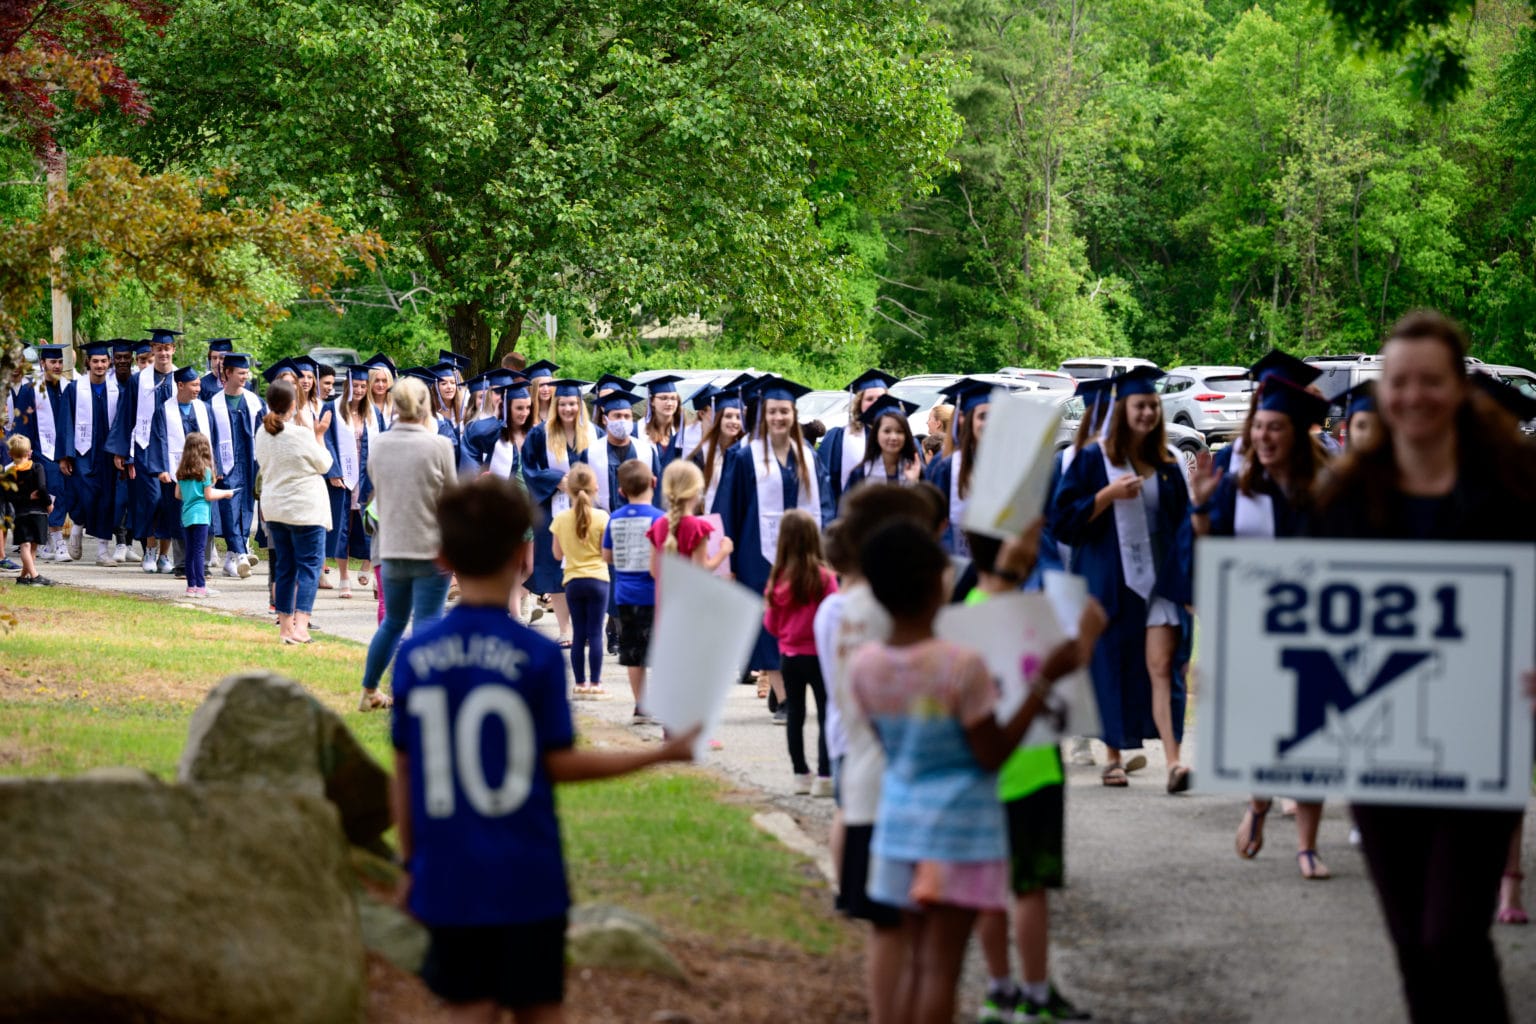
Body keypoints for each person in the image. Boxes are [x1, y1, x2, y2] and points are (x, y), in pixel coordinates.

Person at [389, 473, 698, 1024]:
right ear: (522, 556)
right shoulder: (532, 655)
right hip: (526, 874)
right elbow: (557, 763)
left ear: (441, 557)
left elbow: (405, 775)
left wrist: (413, 863)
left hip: (450, 873)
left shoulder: (416, 658)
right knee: (539, 1007)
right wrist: (657, 754)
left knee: (467, 1006)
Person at [1309, 310, 1536, 1023]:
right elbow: (1310, 618)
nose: (1412, 396)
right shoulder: (1346, 499)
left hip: (1479, 742)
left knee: (1452, 936)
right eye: (1397, 382)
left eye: (1430, 381)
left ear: (1459, 388)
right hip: (1380, 746)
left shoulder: (1513, 490)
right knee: (1413, 944)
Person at [849, 519, 1094, 1024]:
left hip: (897, 827)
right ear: (933, 581)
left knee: (913, 967)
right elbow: (992, 753)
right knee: (941, 971)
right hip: (960, 831)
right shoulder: (961, 666)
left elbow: (891, 743)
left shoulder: (865, 665)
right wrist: (1044, 681)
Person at [1190, 370, 1335, 879]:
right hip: (1255, 630)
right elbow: (1211, 555)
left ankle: (1307, 845)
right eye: (1259, 427)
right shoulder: (1239, 486)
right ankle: (1258, 804)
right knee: (1263, 733)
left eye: (1275, 427)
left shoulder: (1325, 488)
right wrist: (1201, 511)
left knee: (1312, 737)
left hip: (1317, 629)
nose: (1263, 437)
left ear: (1296, 432)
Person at [967, 529, 1093, 1024]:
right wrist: (1088, 637)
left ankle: (999, 992)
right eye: (1022, 537)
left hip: (986, 772)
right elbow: (1064, 678)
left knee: (990, 887)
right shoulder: (1026, 612)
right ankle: (1037, 997)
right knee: (1029, 889)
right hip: (1032, 764)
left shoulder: (969, 606)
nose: (1031, 541)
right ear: (1006, 549)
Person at [1051, 365, 1195, 792]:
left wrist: (1188, 584)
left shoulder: (1166, 463)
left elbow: (1183, 525)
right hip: (1111, 578)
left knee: (1162, 668)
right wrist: (1106, 496)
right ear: (1122, 410)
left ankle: (1173, 762)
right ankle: (1112, 757)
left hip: (1160, 582)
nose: (1148, 412)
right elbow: (1063, 519)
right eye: (1140, 405)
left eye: (1153, 405)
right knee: (1111, 663)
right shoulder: (1095, 460)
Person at [358, 375, 459, 708]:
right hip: (432, 547)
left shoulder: (379, 444)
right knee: (428, 623)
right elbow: (452, 500)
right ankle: (423, 693)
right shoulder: (440, 445)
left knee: (392, 622)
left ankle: (370, 689)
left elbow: (376, 483)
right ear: (425, 404)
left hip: (391, 546)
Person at [252, 379, 333, 645]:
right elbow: (324, 464)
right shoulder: (300, 434)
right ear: (293, 405)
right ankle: (301, 626)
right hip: (305, 509)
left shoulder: (262, 433)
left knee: (285, 568)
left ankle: (285, 627)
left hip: (275, 507)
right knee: (309, 567)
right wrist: (319, 435)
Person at [763, 508, 837, 795]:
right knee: (825, 712)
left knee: (795, 713)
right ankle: (825, 775)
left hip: (789, 656)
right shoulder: (824, 577)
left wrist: (785, 633)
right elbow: (833, 614)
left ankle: (800, 773)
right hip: (819, 656)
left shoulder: (778, 577)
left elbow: (770, 622)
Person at [522, 378, 595, 647]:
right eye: (562, 403)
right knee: (555, 569)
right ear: (555, 405)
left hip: (587, 509)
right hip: (552, 509)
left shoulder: (593, 433)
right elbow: (529, 469)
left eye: (573, 403)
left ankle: (584, 626)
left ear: (580, 405)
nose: (568, 408)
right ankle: (566, 630)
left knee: (584, 568)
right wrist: (557, 480)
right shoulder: (540, 434)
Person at [601, 460, 664, 722]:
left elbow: (606, 556)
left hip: (626, 594)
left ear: (620, 491)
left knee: (633, 653)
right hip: (656, 595)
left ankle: (641, 705)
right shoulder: (660, 519)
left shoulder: (614, 519)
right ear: (654, 483)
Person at [61, 341, 125, 567]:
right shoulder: (74, 389)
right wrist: (65, 454)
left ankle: (102, 552)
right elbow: (66, 421)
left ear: (109, 364)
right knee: (85, 495)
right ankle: (77, 525)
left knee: (107, 500)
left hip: (107, 453)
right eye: (95, 361)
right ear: (88, 362)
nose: (99, 365)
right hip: (82, 452)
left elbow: (121, 424)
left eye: (103, 361)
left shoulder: (117, 390)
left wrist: (121, 452)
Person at [550, 463, 610, 696]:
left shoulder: (561, 519)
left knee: (579, 633)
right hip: (598, 578)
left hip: (573, 580)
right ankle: (596, 683)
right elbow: (606, 554)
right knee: (595, 633)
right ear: (595, 487)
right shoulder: (602, 516)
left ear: (569, 489)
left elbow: (557, 554)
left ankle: (579, 683)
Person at [9, 345, 73, 562]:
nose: (56, 365)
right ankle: (57, 540)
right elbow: (22, 424)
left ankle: (46, 541)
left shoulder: (68, 387)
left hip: (66, 449)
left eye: (59, 362)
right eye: (52, 362)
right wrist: (26, 454)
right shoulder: (30, 390)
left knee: (65, 493)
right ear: (43, 363)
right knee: (54, 490)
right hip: (41, 450)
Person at [209, 353, 263, 579]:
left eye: (246, 372)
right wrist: (214, 465)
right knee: (230, 508)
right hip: (226, 464)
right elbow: (209, 436)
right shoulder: (213, 403)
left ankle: (232, 558)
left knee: (246, 509)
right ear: (228, 373)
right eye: (241, 373)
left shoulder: (254, 401)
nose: (245, 376)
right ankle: (241, 553)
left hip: (249, 462)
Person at [925, 379, 992, 556]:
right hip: (953, 560)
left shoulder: (1009, 464)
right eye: (983, 416)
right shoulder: (945, 466)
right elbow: (931, 520)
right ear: (968, 420)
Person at [161, 365, 217, 578]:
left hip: (204, 471)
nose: (198, 389)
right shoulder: (164, 410)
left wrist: (215, 467)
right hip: (177, 473)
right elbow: (159, 441)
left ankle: (204, 564)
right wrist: (161, 469)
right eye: (194, 385)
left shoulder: (205, 408)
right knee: (179, 516)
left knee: (205, 516)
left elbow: (216, 437)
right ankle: (182, 564)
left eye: (199, 384)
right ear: (180, 385)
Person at [321, 364, 372, 597]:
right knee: (342, 527)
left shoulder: (373, 414)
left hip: (367, 479)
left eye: (363, 386)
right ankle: (344, 578)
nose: (359, 390)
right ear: (348, 385)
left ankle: (370, 570)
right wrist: (333, 471)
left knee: (369, 527)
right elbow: (325, 441)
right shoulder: (332, 409)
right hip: (342, 478)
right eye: (356, 385)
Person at [818, 369, 897, 512]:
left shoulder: (903, 439)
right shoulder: (840, 437)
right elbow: (826, 485)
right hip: (851, 519)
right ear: (859, 403)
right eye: (869, 399)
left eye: (880, 398)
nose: (875, 403)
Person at [173, 432, 234, 598]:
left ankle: (191, 586)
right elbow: (208, 495)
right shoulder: (205, 471)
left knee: (190, 551)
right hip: (200, 516)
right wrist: (225, 493)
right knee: (200, 551)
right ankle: (201, 587)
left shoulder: (181, 471)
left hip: (186, 515)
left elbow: (177, 494)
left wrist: (190, 493)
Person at [647, 459, 733, 575]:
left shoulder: (658, 524)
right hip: (690, 593)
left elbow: (653, 571)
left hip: (664, 592)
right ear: (697, 491)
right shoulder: (698, 528)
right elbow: (701, 569)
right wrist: (724, 551)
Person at [689, 382, 746, 514]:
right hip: (707, 519)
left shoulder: (746, 452)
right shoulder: (701, 453)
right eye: (728, 416)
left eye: (738, 417)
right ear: (718, 419)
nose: (734, 421)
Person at [6, 435, 55, 586]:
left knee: (25, 546)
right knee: (32, 546)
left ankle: (23, 578)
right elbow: (41, 488)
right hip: (39, 512)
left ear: (10, 454)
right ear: (30, 452)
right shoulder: (37, 467)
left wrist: (25, 496)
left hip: (20, 514)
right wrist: (48, 504)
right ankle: (35, 576)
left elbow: (10, 496)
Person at [845, 395, 922, 489]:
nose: (893, 437)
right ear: (876, 435)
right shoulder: (860, 473)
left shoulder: (918, 470)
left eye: (899, 431)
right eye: (887, 431)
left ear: (907, 435)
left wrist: (914, 482)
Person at [642, 375, 686, 471]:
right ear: (652, 401)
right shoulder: (638, 431)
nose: (669, 403)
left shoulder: (681, 432)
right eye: (663, 398)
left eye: (673, 398)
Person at [525, 360, 558, 426]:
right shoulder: (527, 413)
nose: (546, 389)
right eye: (541, 385)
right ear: (533, 388)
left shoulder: (558, 410)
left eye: (549, 384)